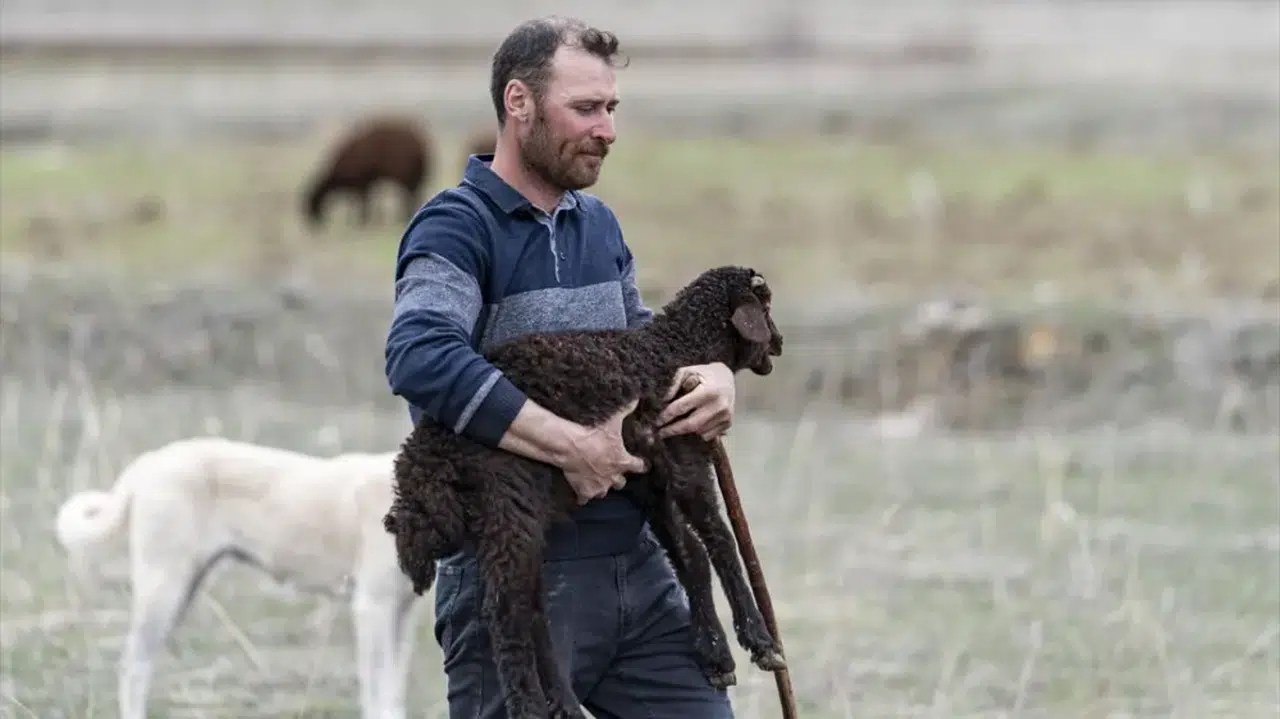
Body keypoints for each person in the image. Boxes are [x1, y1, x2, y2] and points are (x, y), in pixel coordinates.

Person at [384, 15, 740, 719]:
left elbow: (644, 350)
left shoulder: (599, 227)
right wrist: (572, 445)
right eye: (585, 108)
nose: (607, 128)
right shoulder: (455, 229)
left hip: (640, 571)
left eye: (611, 108)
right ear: (519, 105)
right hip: (518, 582)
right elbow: (419, 354)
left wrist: (712, 375)